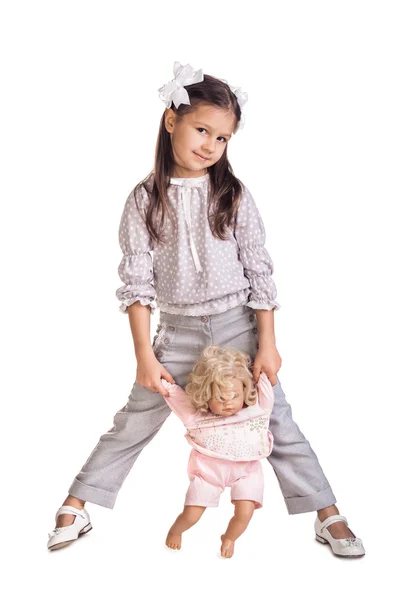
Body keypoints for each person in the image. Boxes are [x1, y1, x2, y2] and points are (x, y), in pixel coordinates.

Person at [47, 61, 365, 558]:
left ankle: (327, 514)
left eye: (222, 138)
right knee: (134, 421)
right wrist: (144, 357)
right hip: (175, 336)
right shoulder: (144, 201)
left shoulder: (232, 195)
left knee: (276, 422)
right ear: (172, 120)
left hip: (237, 328)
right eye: (202, 130)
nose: (210, 145)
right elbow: (136, 284)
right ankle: (76, 504)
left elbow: (260, 272)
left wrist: (268, 343)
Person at [162, 345, 275, 559]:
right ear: (205, 395)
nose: (228, 402)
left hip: (247, 471)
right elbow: (172, 392)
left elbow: (265, 376)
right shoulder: (196, 418)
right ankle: (175, 530)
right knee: (191, 514)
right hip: (208, 474)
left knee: (245, 512)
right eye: (220, 397)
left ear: (245, 391)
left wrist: (264, 358)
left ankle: (229, 537)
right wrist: (155, 373)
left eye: (234, 395)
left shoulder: (258, 410)